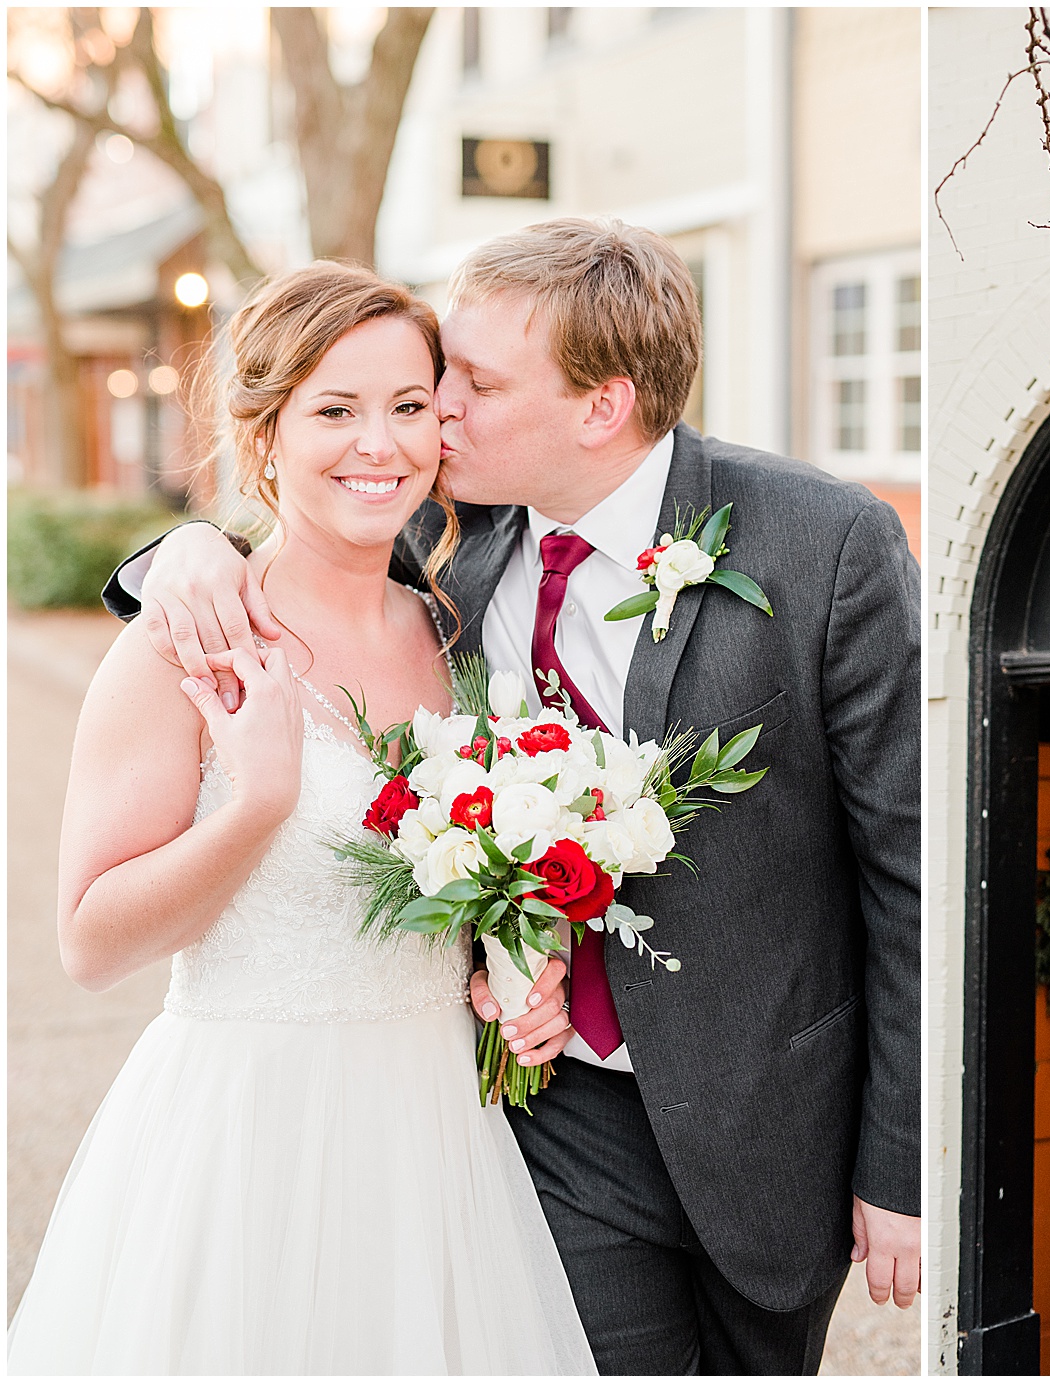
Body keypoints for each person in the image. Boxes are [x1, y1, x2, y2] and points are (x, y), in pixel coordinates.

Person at [104, 218, 921, 1375]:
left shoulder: (821, 541)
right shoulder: (459, 539)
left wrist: (902, 1164)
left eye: (471, 384)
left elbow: (915, 870)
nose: (437, 414)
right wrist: (179, 551)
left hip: (769, 1120)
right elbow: (311, 525)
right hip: (543, 1114)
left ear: (600, 407)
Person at [9, 263, 596, 1373]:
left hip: (435, 1139)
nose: (379, 444)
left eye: (408, 407)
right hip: (247, 1137)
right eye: (335, 410)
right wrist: (257, 806)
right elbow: (89, 942)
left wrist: (512, 950)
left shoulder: (454, 630)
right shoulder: (184, 645)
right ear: (265, 434)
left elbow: (470, 856)